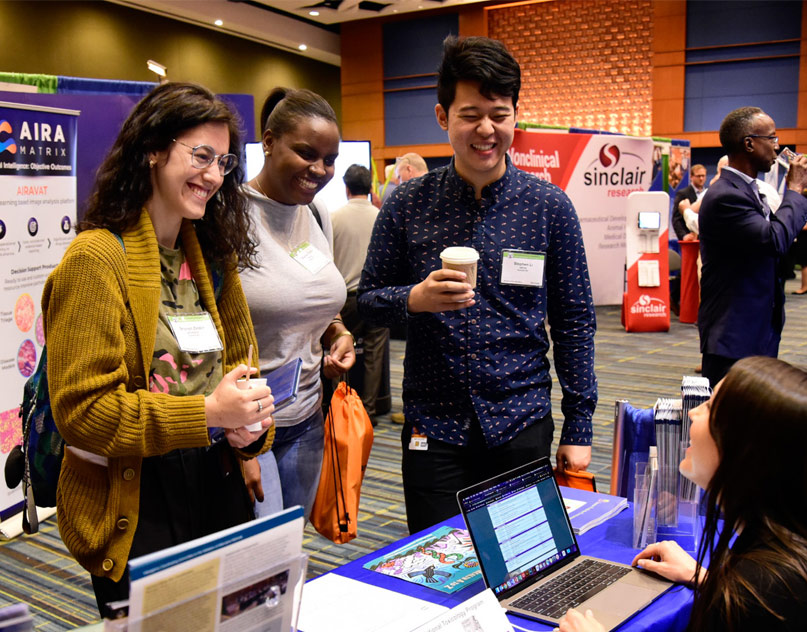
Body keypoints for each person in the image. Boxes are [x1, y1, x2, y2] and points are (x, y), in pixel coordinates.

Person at [42, 82, 274, 616]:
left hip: (218, 484)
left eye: (223, 162)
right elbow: (82, 414)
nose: (214, 175)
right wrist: (208, 413)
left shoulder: (213, 257)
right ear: (152, 149)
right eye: (199, 156)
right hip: (139, 496)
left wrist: (249, 428)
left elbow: (244, 368)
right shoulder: (96, 259)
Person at [358, 35, 597, 534]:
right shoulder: (406, 205)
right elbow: (367, 304)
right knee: (437, 570)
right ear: (443, 117)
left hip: (520, 420)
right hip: (434, 426)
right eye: (470, 114)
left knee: (525, 567)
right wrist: (415, 299)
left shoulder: (549, 207)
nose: (485, 129)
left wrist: (579, 425)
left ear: (515, 116)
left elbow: (575, 321)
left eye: (499, 113)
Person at [559, 356, 807, 632]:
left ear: (744, 451)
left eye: (709, 408)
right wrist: (706, 578)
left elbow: (766, 607)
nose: (692, 412)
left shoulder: (767, 590)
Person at [240, 87, 355, 520]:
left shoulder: (318, 213)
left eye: (329, 160)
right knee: (261, 557)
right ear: (268, 142)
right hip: (248, 426)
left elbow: (317, 298)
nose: (319, 169)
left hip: (307, 414)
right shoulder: (226, 214)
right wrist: (238, 440)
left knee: (291, 547)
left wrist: (338, 332)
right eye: (306, 153)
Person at [697, 106, 807, 386]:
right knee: (728, 423)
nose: (778, 147)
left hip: (756, 328)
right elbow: (774, 239)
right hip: (734, 333)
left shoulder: (749, 190)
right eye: (772, 138)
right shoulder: (726, 196)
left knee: (751, 421)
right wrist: (795, 190)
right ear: (749, 143)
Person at [331, 165, 389, 418]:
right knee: (375, 355)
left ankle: (341, 409)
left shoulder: (333, 218)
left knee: (340, 352)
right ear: (369, 188)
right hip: (378, 296)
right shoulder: (382, 215)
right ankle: (369, 410)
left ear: (346, 188)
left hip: (345, 300)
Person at [671, 163, 706, 241]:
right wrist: (684, 236)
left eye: (703, 176)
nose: (701, 178)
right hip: (690, 239)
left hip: (705, 239)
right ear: (691, 177)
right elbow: (676, 219)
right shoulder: (683, 193)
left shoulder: (708, 194)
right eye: (698, 176)